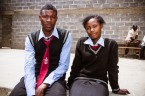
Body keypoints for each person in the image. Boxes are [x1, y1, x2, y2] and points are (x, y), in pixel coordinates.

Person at [10, 4, 72, 96]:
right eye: (45, 16)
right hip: (36, 73)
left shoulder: (65, 36)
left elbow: (63, 66)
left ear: (56, 18)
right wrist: (31, 92)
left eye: (52, 17)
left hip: (55, 76)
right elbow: (29, 67)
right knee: (16, 94)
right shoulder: (31, 38)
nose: (49, 20)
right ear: (40, 18)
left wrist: (44, 84)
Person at [67, 15, 130, 96]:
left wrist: (115, 88)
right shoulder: (81, 42)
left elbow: (112, 68)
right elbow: (76, 66)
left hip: (99, 81)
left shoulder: (111, 44)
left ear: (101, 26)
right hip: (80, 79)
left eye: (95, 26)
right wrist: (69, 84)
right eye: (88, 28)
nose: (92, 30)